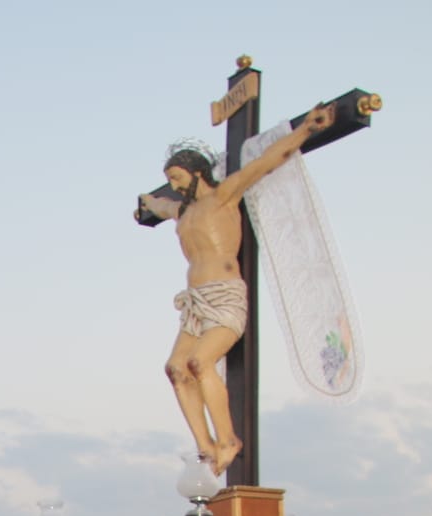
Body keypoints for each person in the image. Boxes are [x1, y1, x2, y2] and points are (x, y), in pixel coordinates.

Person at [139, 104, 335, 472]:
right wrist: (145, 205)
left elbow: (266, 162)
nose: (176, 185)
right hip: (196, 303)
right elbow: (159, 205)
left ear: (199, 173)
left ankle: (228, 439)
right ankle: (207, 445)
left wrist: (307, 128)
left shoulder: (223, 196)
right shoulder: (182, 212)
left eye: (179, 177)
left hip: (225, 293)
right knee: (176, 368)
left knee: (201, 362)